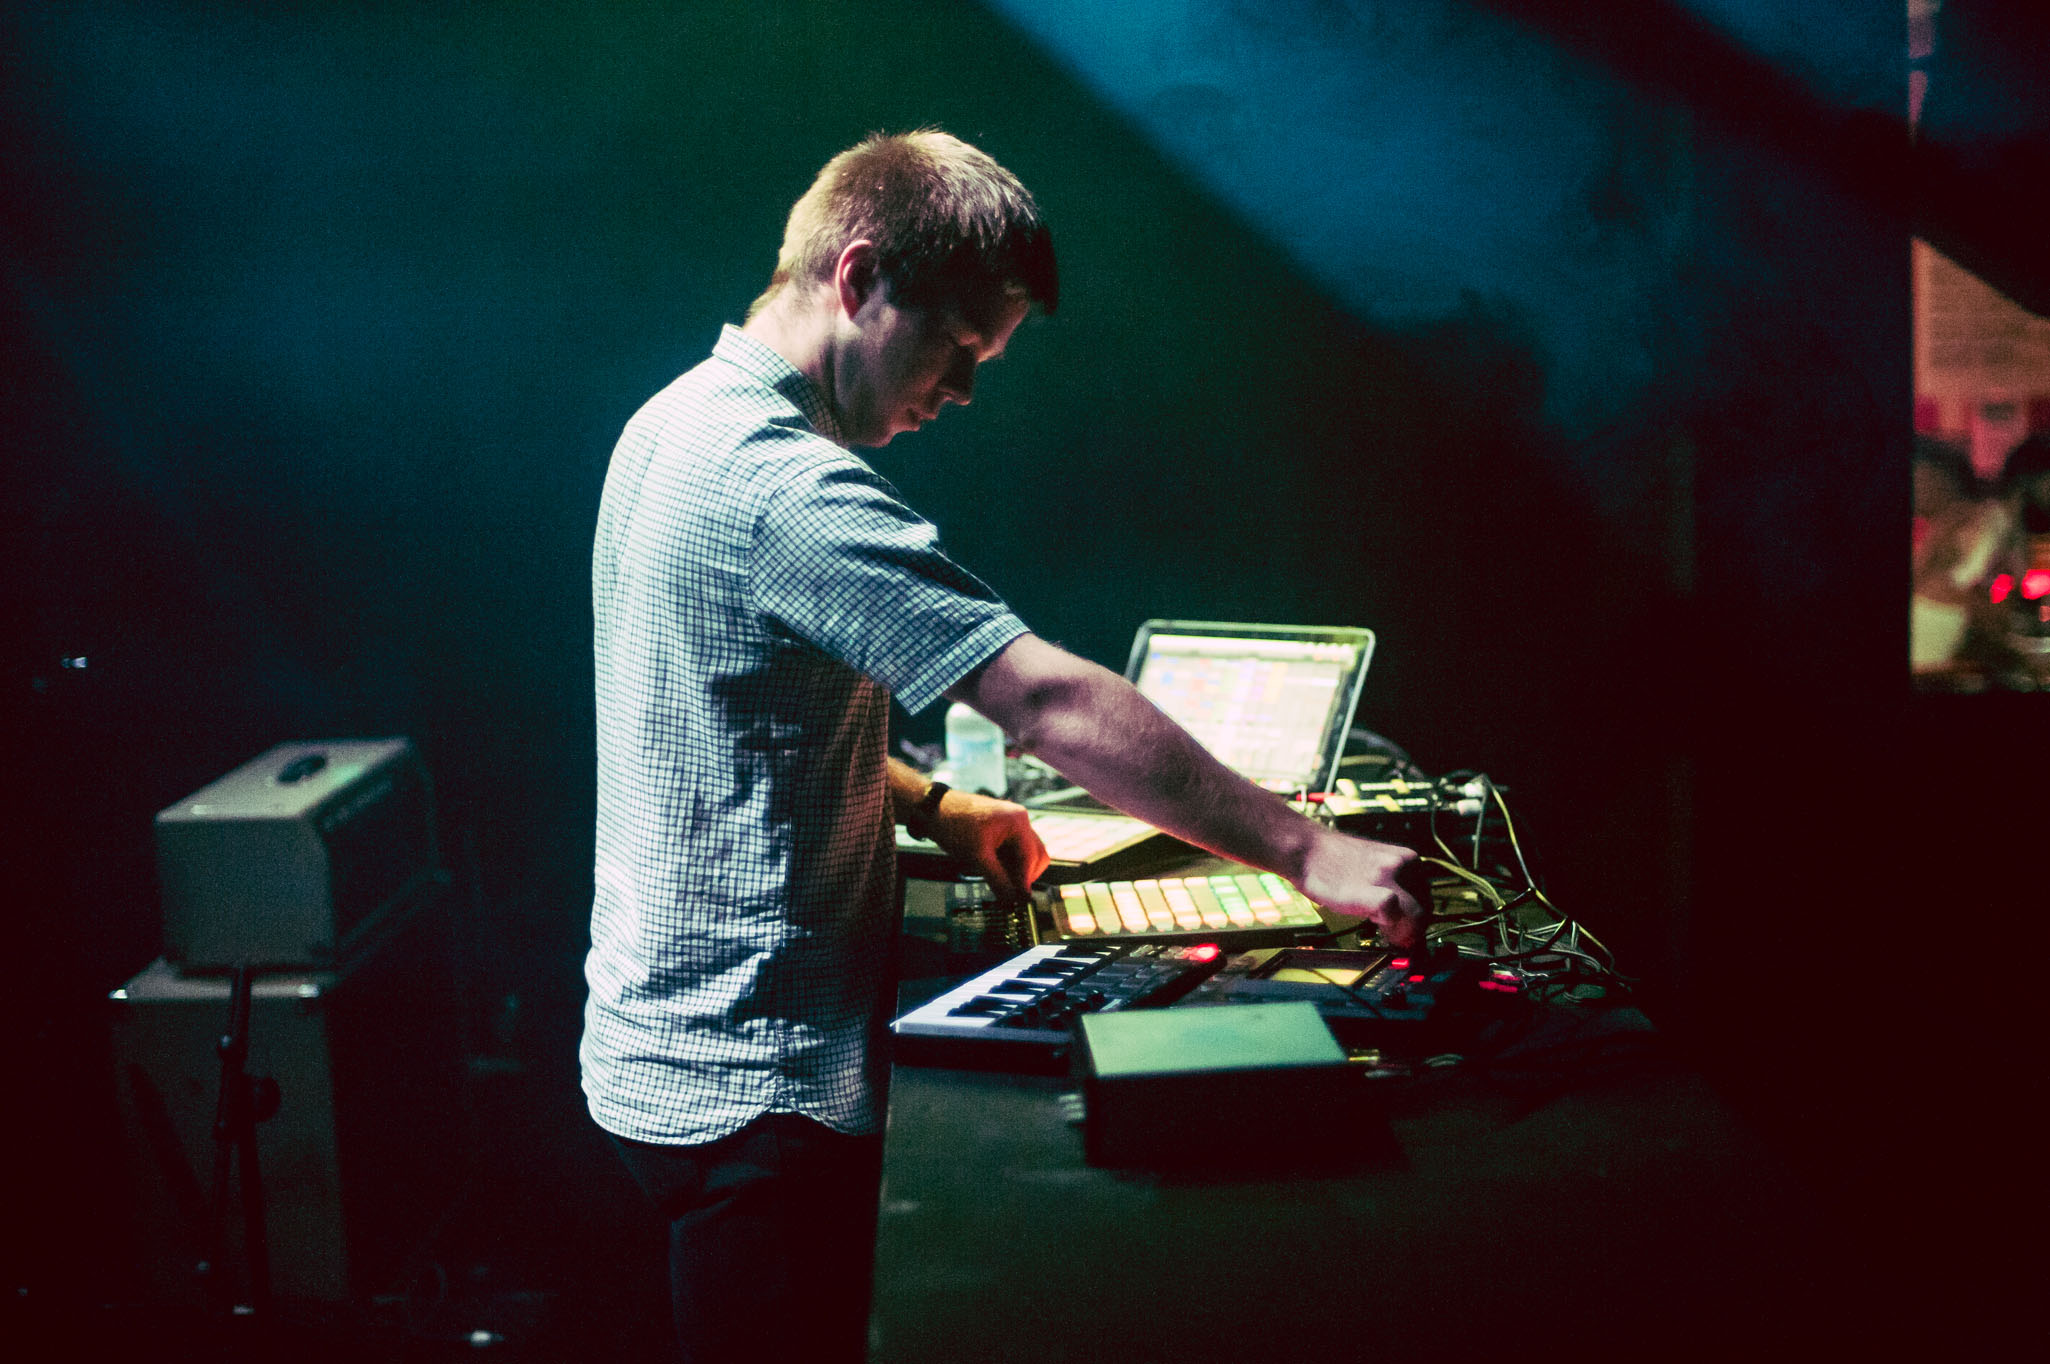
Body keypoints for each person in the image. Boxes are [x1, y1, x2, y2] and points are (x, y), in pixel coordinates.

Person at [581, 129, 1426, 1363]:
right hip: (755, 1095)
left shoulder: (669, 424)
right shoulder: (781, 487)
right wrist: (1309, 850)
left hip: (667, 1053)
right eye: (960, 347)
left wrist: (933, 805)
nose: (965, 392)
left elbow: (724, 720)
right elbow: (1044, 703)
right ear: (860, 278)